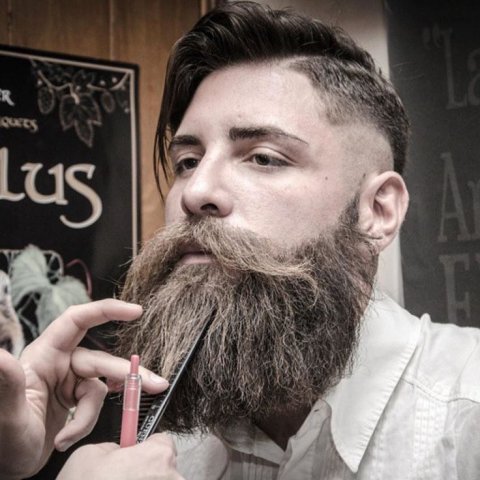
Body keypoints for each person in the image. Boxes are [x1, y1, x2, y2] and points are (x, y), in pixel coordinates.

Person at [2, 2, 480, 479]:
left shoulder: (467, 411)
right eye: (187, 162)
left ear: (377, 210)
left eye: (263, 158)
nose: (195, 192)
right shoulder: (165, 447)